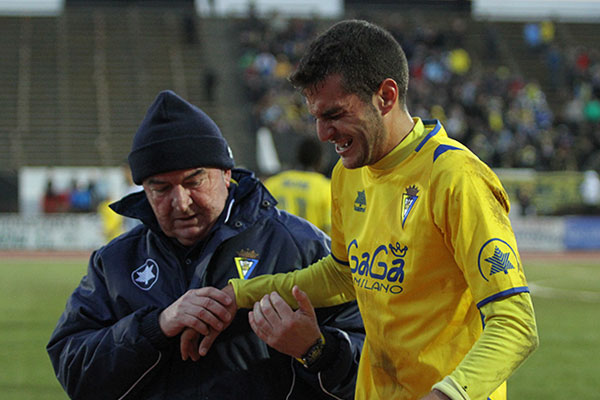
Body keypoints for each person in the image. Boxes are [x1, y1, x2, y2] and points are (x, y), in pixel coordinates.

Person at [182, 20, 539, 400]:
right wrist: (238, 294)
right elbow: (341, 275)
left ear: (385, 96)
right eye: (316, 117)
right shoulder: (347, 174)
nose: (321, 133)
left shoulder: (456, 178)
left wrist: (446, 395)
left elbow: (515, 323)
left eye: (334, 114)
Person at [47, 90, 364, 399]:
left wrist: (318, 349)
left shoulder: (301, 247)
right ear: (144, 189)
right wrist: (156, 326)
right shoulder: (115, 262)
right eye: (161, 189)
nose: (180, 203)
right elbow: (74, 370)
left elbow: (376, 362)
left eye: (193, 182)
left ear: (226, 174)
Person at [264, 137, 331, 234]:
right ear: (320, 160)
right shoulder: (325, 189)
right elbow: (330, 228)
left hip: (277, 245)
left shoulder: (273, 183)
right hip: (310, 247)